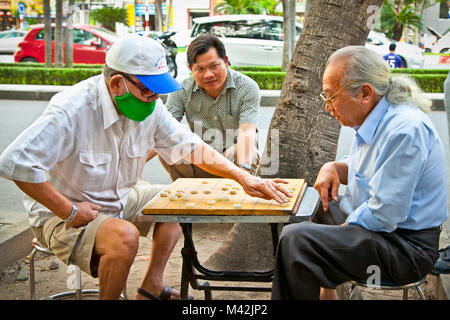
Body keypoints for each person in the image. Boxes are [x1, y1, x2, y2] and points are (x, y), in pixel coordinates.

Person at [0, 35, 291, 300]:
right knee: (124, 236)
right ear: (117, 83)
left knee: (175, 206)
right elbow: (15, 163)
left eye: (157, 92)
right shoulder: (71, 110)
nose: (154, 101)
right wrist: (68, 210)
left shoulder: (147, 106)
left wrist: (244, 178)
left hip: (119, 198)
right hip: (65, 215)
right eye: (148, 92)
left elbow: (189, 145)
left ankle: (151, 285)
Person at [271, 46, 448, 300]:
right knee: (314, 202)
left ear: (364, 92)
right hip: (382, 232)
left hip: (405, 248)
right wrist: (332, 167)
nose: (327, 107)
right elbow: (361, 167)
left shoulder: (404, 130)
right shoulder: (374, 119)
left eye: (331, 96)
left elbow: (385, 213)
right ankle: (326, 294)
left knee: (296, 240)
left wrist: (342, 230)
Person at [152, 34, 261, 179]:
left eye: (214, 66)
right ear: (191, 68)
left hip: (235, 163)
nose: (208, 74)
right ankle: (186, 193)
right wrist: (132, 167)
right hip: (201, 161)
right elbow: (162, 130)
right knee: (170, 149)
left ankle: (238, 191)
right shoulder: (181, 90)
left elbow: (247, 131)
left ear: (226, 61)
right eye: (200, 69)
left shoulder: (247, 87)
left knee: (246, 152)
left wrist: (244, 171)